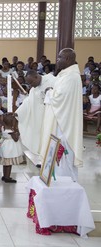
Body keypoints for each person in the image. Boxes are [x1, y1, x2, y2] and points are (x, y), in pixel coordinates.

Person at [40, 48, 83, 181]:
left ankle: (65, 181)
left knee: (63, 154)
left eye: (59, 58)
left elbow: (59, 97)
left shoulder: (71, 76)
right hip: (61, 119)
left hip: (63, 124)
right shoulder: (65, 74)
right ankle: (57, 179)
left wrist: (48, 91)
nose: (57, 60)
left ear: (68, 59)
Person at [15, 70, 55, 155]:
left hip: (52, 117)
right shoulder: (34, 90)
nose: (31, 85)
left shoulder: (52, 80)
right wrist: (17, 113)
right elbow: (28, 102)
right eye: (29, 84)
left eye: (31, 82)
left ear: (36, 77)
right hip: (40, 119)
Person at [0, 114, 24, 183]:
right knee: (9, 165)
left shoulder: (3, 128)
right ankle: (7, 177)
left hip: (5, 147)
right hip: (10, 150)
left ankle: (4, 176)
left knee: (5, 164)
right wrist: (18, 132)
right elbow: (16, 139)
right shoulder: (11, 132)